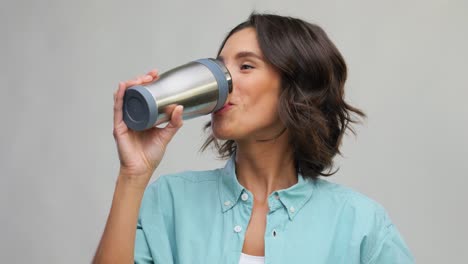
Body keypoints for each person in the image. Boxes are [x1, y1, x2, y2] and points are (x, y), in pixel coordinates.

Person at [93, 13, 414, 264]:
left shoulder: (360, 224)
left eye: (246, 66)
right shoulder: (169, 202)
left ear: (296, 87)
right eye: (218, 69)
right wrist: (133, 175)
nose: (222, 84)